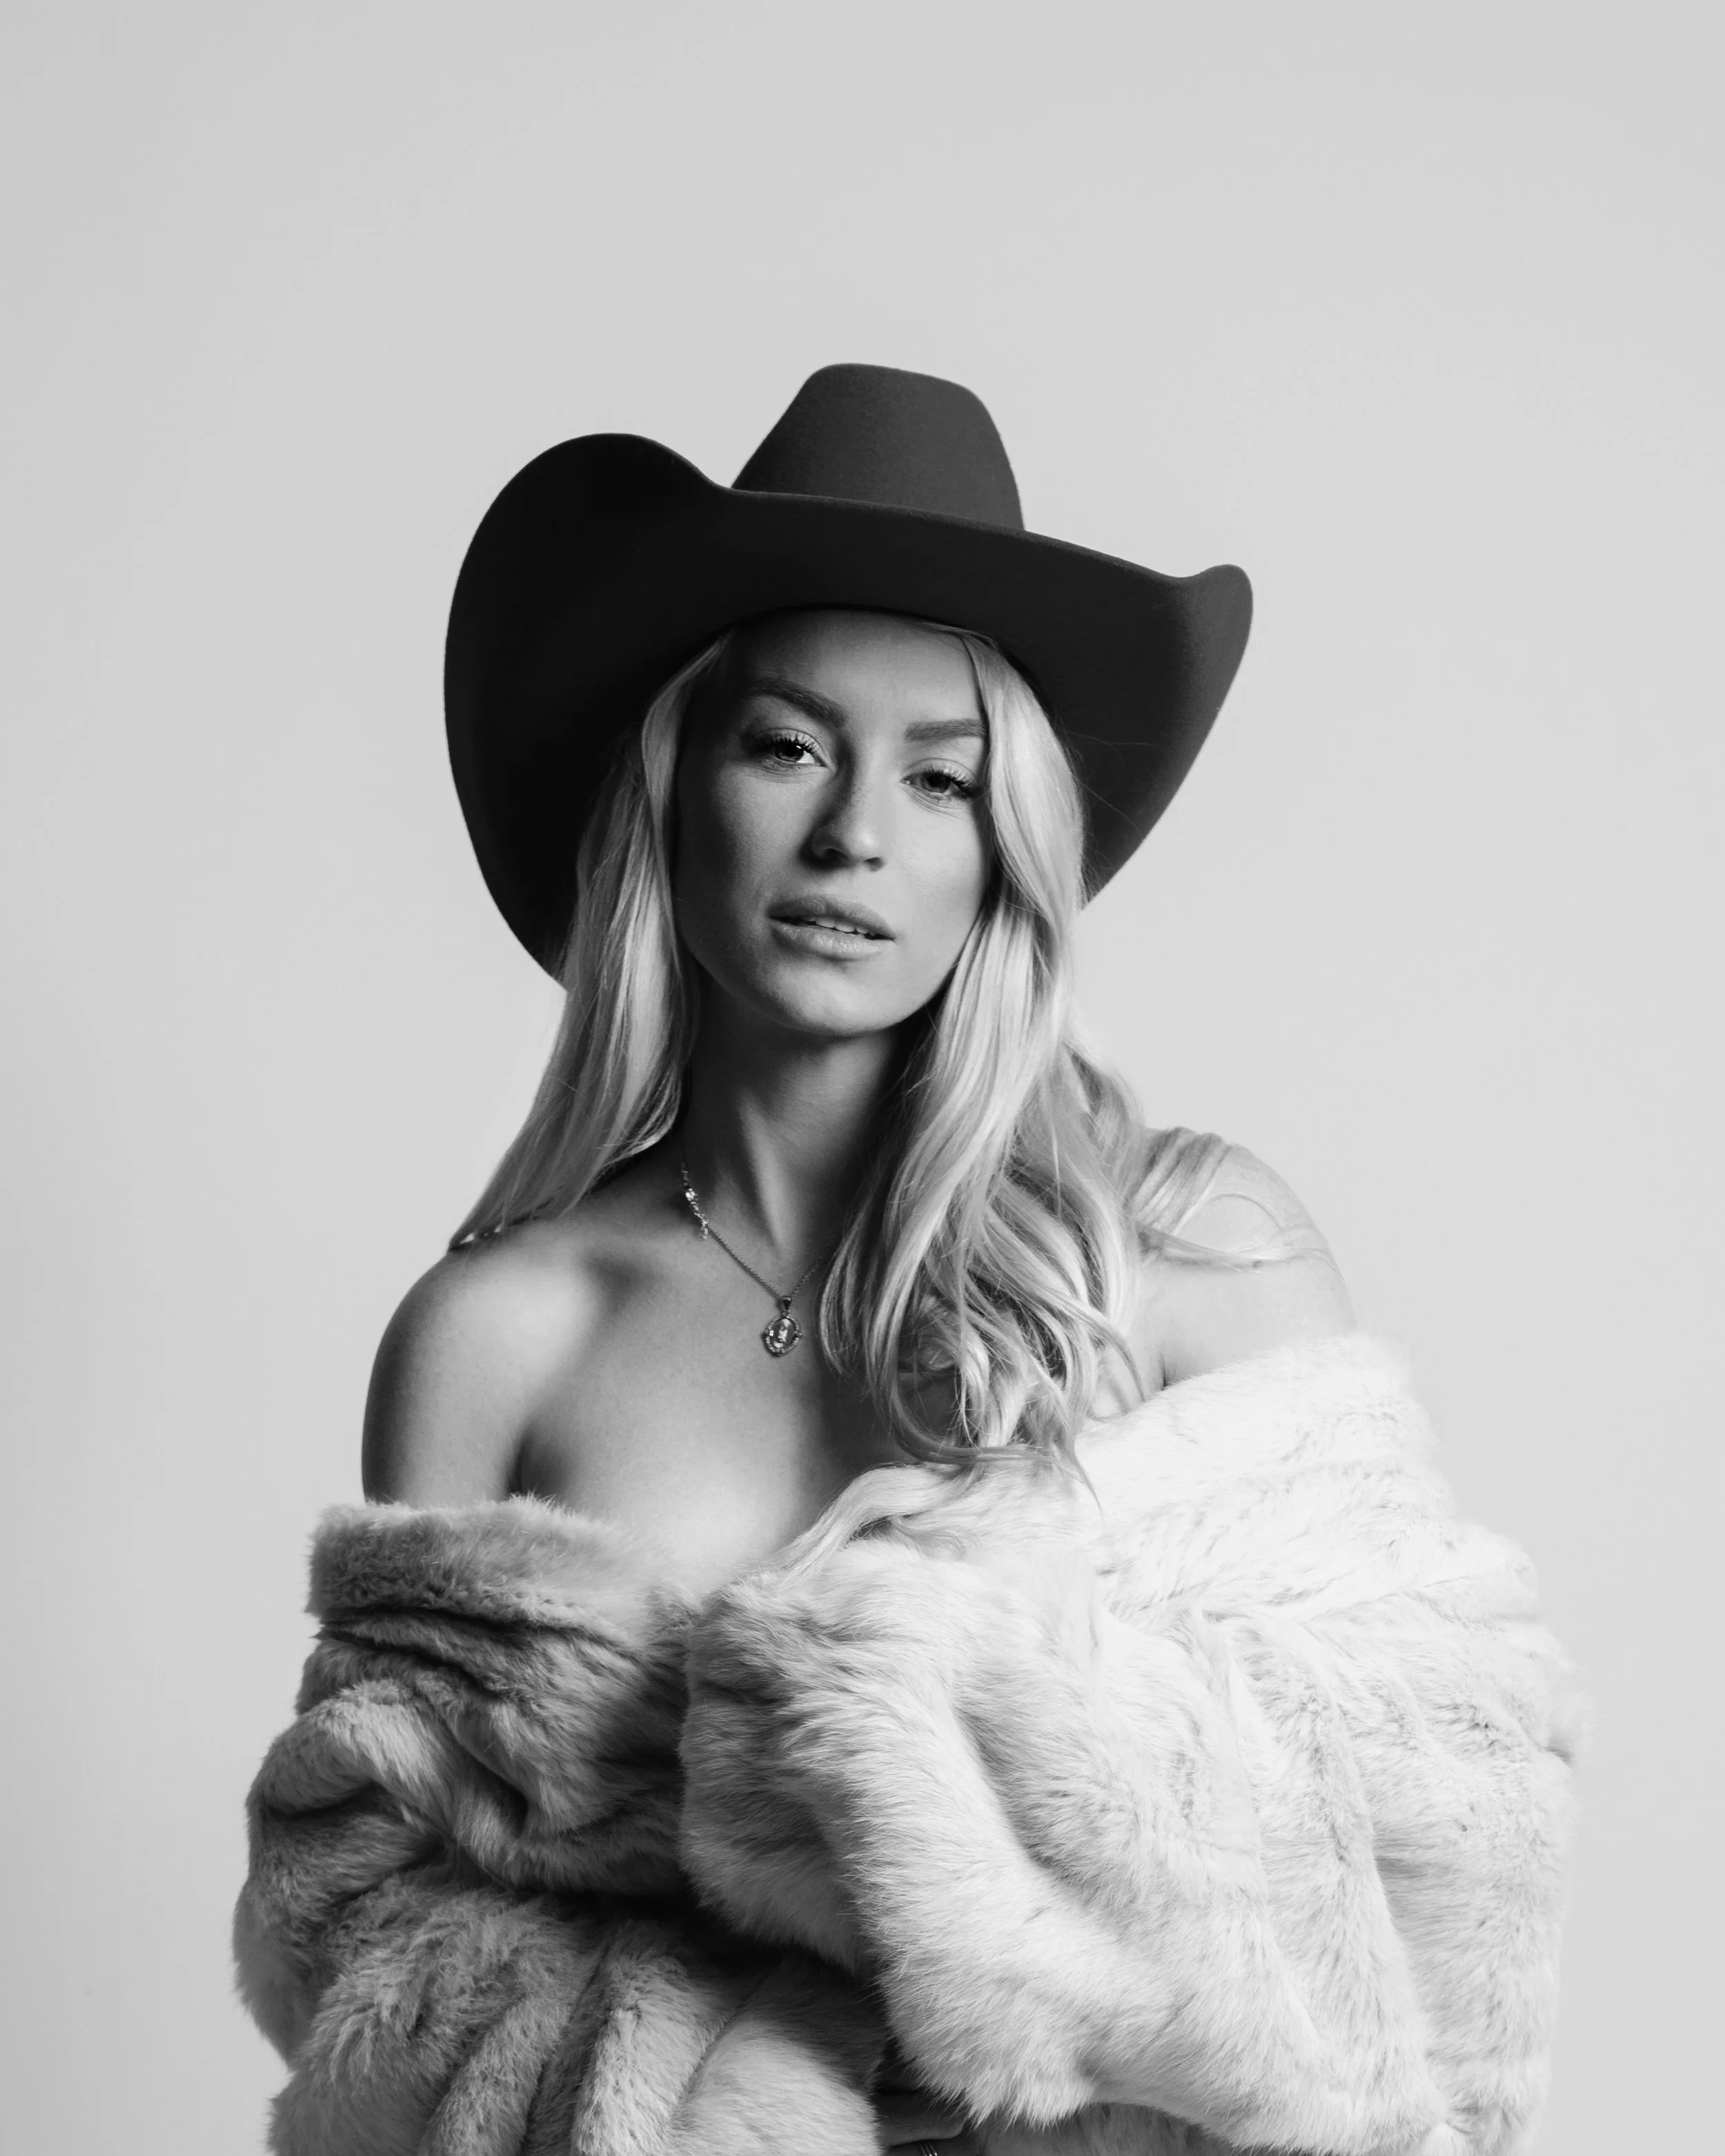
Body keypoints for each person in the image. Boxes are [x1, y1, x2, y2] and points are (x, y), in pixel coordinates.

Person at [235, 367, 1579, 2156]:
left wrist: (929, 1805)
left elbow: (1443, 1847)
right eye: (788, 746)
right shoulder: (497, 1334)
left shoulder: (1186, 1255)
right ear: (672, 787)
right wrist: (755, 2083)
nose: (855, 833)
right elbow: (371, 1945)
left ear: (1002, 851)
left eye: (940, 777)